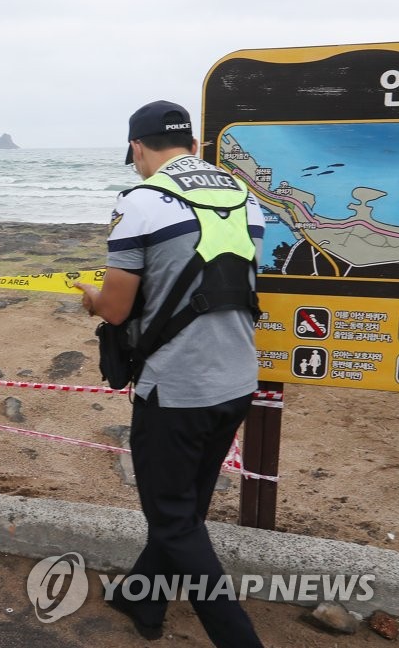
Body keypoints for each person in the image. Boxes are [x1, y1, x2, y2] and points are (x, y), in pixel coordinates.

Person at [74, 100, 265, 647]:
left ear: (138, 147)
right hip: (236, 380)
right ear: (194, 145)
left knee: (174, 520)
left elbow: (115, 307)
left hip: (177, 388)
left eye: (132, 154)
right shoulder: (242, 196)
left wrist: (90, 297)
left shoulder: (141, 201)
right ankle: (143, 602)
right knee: (182, 508)